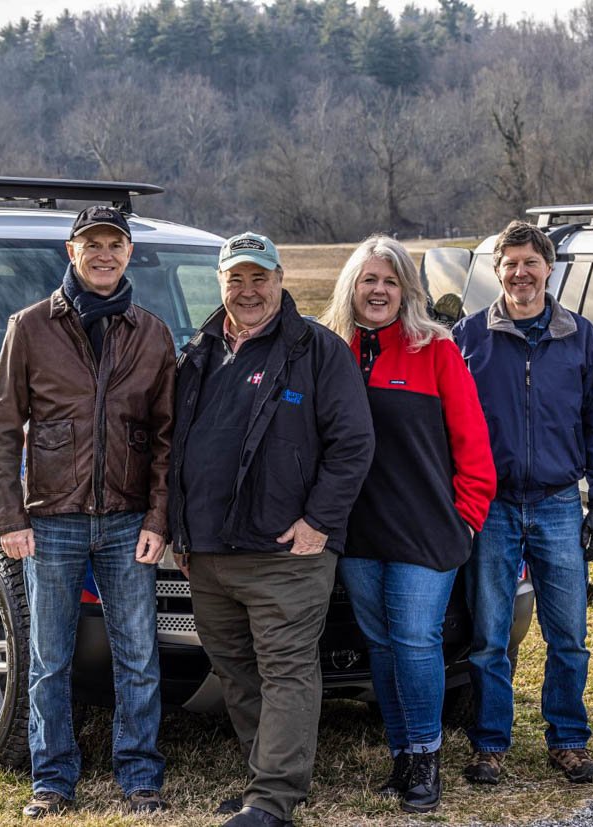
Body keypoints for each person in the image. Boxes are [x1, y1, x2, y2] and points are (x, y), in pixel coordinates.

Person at [169, 231, 375, 827]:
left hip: (287, 553)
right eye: (236, 278)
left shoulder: (317, 350)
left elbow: (353, 444)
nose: (248, 290)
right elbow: (179, 448)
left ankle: (272, 800)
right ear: (221, 284)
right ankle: (264, 778)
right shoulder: (201, 351)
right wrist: (184, 532)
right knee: (235, 670)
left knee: (286, 670)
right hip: (208, 552)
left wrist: (319, 522)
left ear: (280, 280)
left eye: (260, 277)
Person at [0, 205, 176, 818]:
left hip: (127, 522)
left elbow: (168, 437)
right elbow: (4, 430)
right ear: (72, 252)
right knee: (49, 659)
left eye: (114, 244)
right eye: (91, 244)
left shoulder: (151, 333)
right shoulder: (31, 327)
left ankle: (140, 774)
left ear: (128, 254)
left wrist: (157, 518)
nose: (104, 254)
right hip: (52, 519)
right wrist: (11, 518)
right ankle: (52, 778)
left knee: (138, 654)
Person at [317, 236, 496, 813]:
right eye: (369, 279)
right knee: (382, 645)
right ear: (352, 286)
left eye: (390, 281)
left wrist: (467, 518)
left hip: (425, 530)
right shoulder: (330, 352)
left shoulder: (436, 349)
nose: (379, 290)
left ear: (406, 291)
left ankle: (426, 756)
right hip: (358, 531)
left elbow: (473, 445)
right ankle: (401, 754)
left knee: (417, 641)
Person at [451, 220, 593, 785]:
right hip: (492, 505)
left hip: (556, 502)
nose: (521, 274)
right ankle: (490, 744)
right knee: (490, 634)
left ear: (550, 268)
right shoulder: (469, 337)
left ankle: (569, 740)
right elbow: (448, 428)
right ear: (496, 272)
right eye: (510, 264)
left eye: (531, 263)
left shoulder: (581, 338)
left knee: (568, 633)